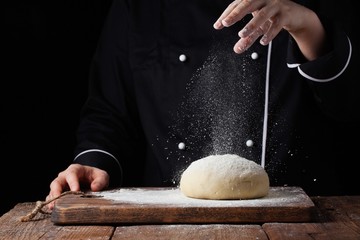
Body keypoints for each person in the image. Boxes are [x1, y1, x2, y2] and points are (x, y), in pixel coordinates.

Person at [46, 0, 360, 209]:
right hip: (167, 222)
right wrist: (95, 161)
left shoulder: (310, 3)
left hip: (299, 221)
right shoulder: (137, 7)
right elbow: (109, 111)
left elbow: (349, 107)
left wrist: (308, 27)